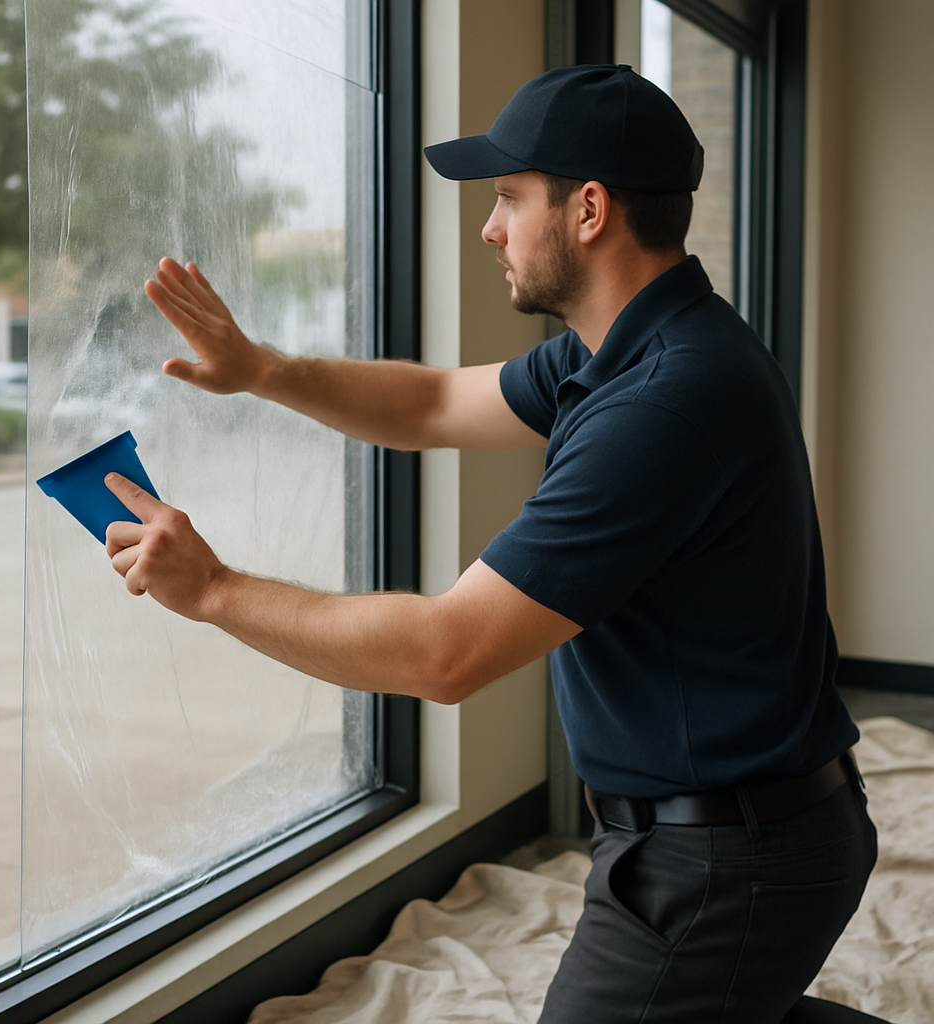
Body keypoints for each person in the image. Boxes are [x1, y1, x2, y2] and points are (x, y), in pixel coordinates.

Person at [105, 65, 876, 1023]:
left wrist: (212, 588)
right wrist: (262, 369)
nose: (490, 227)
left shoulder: (663, 402)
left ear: (589, 209)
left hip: (727, 856)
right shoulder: (624, 346)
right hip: (733, 829)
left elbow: (446, 653)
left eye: (511, 198)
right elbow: (429, 402)